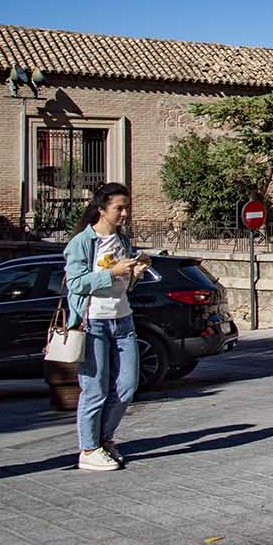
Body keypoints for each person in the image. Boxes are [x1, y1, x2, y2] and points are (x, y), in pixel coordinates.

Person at [63, 182, 151, 471]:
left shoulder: (123, 241)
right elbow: (74, 283)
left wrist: (135, 272)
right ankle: (88, 449)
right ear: (101, 209)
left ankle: (105, 439)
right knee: (95, 389)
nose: (124, 213)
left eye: (126, 207)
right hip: (93, 322)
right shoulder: (82, 243)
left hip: (123, 319)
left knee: (127, 385)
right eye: (119, 208)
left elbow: (124, 286)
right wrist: (110, 272)